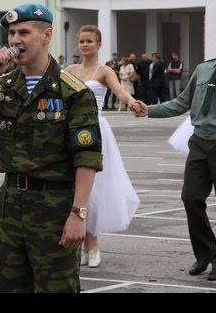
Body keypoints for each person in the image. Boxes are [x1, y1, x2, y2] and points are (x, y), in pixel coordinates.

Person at [0, 3, 103, 293]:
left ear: (47, 35)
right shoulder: (3, 85)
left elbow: (87, 158)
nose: (15, 40)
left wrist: (78, 214)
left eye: (24, 32)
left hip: (55, 206)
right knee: (9, 286)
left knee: (57, 288)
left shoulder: (73, 91)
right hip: (11, 204)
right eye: (11, 33)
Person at [134, 19, 216, 281]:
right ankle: (205, 253)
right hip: (199, 142)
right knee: (191, 198)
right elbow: (181, 102)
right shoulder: (202, 70)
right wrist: (149, 110)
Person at [66, 25, 140, 268]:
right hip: (71, 132)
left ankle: (93, 244)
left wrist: (132, 103)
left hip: (95, 132)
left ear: (99, 44)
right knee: (74, 188)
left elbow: (120, 92)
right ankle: (83, 245)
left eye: (90, 41)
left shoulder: (104, 70)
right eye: (81, 40)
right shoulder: (69, 70)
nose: (85, 44)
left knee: (94, 191)